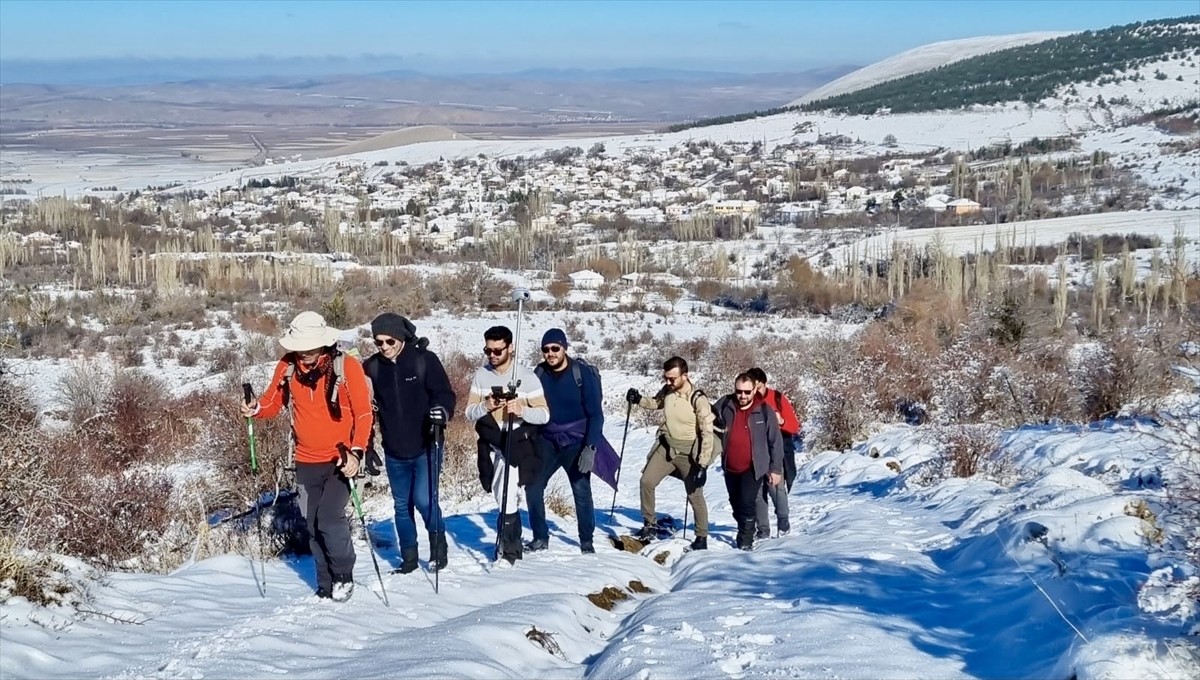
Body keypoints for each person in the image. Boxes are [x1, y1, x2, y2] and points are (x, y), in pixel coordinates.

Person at [241, 311, 372, 602]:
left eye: (311, 348)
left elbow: (364, 414)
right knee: (312, 523)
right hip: (305, 459)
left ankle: (343, 576)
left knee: (329, 518)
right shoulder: (287, 367)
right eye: (301, 348)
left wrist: (356, 452)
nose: (306, 354)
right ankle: (325, 583)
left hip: (342, 458)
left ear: (324, 344)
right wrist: (256, 409)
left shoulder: (346, 366)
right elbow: (272, 402)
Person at [362, 313, 457, 575]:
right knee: (401, 506)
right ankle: (409, 559)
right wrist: (366, 446)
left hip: (427, 444)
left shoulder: (423, 360)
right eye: (378, 342)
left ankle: (439, 552)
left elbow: (445, 394)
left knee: (424, 501)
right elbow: (362, 407)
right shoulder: (372, 368)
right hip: (394, 449)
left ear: (401, 337)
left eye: (389, 341)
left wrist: (442, 411)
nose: (384, 347)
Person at [465, 325, 550, 564]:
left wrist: (521, 410)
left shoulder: (527, 377)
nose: (492, 355)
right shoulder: (481, 376)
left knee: (507, 494)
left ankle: (509, 550)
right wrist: (487, 406)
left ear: (510, 348)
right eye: (488, 350)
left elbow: (544, 415)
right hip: (491, 443)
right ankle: (509, 542)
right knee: (497, 492)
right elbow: (470, 412)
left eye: (497, 350)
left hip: (516, 442)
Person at [625, 356, 715, 551]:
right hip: (666, 447)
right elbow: (657, 403)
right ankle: (650, 525)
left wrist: (703, 464)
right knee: (646, 482)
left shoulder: (698, 399)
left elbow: (707, 433)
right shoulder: (668, 390)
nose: (668, 382)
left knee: (694, 495)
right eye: (665, 378)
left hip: (688, 453)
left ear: (685, 376)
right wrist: (639, 399)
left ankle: (701, 537)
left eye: (672, 378)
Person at [526, 328, 602, 554]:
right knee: (533, 487)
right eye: (546, 349)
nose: (550, 353)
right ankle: (540, 537)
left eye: (555, 348)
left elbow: (596, 414)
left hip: (576, 441)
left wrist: (590, 447)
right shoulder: (539, 374)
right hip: (547, 440)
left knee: (581, 490)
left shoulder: (581, 374)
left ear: (564, 348)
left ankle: (586, 541)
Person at [712, 373, 785, 550]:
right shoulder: (726, 404)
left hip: (753, 466)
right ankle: (746, 526)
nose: (742, 396)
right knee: (735, 502)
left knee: (747, 502)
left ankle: (745, 540)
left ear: (754, 391)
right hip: (730, 465)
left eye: (747, 392)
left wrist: (775, 469)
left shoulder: (764, 410)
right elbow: (707, 415)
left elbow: (775, 441)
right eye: (739, 391)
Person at [746, 367, 801, 538]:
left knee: (775, 486)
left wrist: (781, 421)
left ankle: (783, 521)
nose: (756, 392)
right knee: (757, 490)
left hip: (775, 449)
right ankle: (763, 529)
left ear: (765, 384)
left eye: (759, 388)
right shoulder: (745, 400)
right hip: (753, 450)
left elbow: (794, 426)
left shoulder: (777, 398)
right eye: (753, 388)